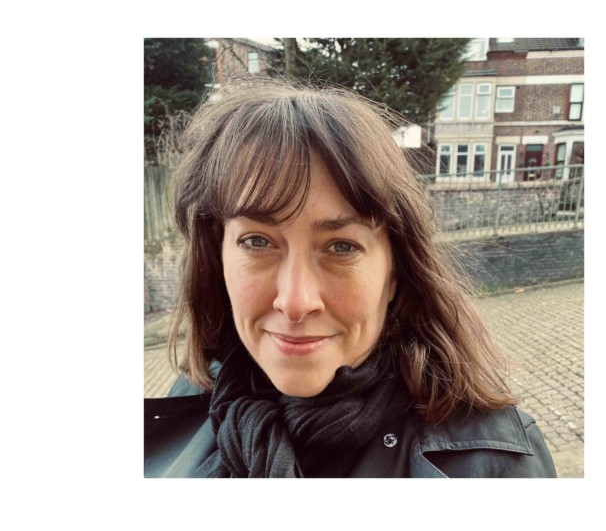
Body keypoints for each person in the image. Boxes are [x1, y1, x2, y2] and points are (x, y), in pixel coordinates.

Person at [144, 77, 556, 478]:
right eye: (257, 241)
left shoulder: (493, 465)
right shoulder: (190, 399)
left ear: (396, 271)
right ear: (216, 259)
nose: (296, 301)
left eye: (341, 246)